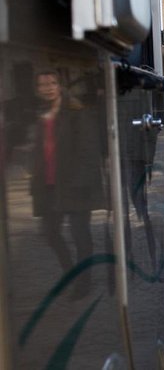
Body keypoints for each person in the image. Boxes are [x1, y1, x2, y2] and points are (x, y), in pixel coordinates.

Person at [30, 69, 108, 297]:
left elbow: (88, 149)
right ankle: (70, 274)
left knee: (80, 235)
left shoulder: (75, 110)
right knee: (51, 233)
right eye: (43, 84)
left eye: (52, 83)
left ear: (60, 85)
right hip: (49, 185)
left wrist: (80, 182)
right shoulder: (41, 113)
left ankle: (83, 284)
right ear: (38, 89)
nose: (48, 88)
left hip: (75, 185)